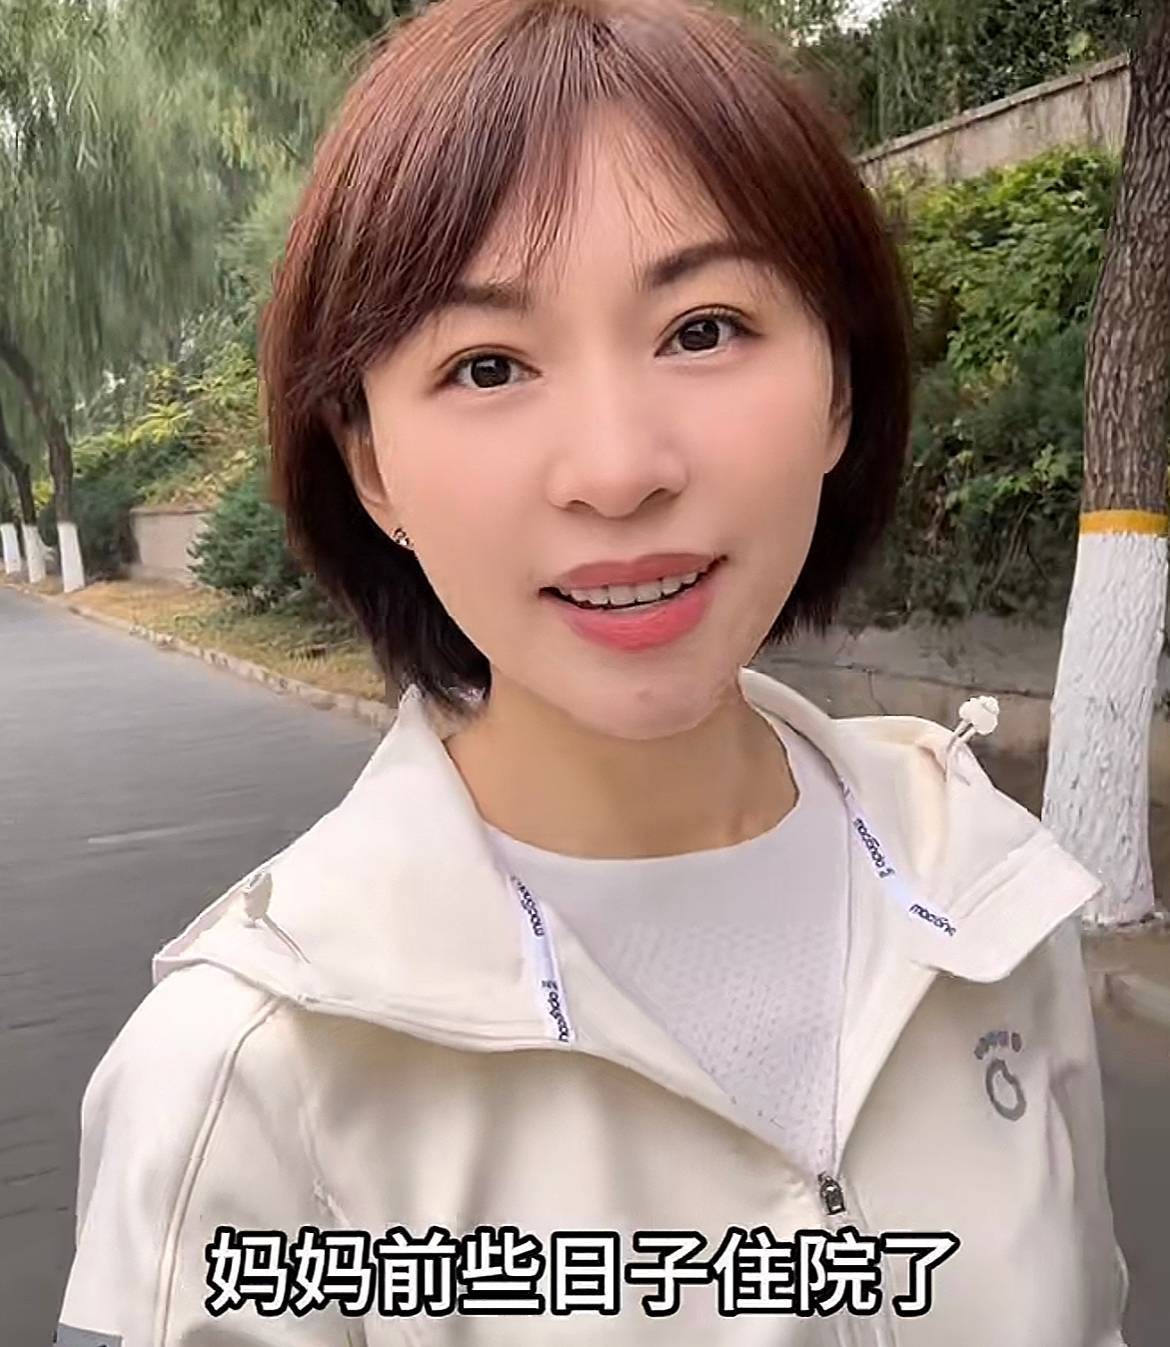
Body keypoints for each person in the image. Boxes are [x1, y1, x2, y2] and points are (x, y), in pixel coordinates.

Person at [57, 0, 1128, 1341]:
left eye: (703, 329)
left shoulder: (983, 895)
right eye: (487, 365)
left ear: (840, 391)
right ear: (372, 464)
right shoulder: (251, 1074)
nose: (618, 471)